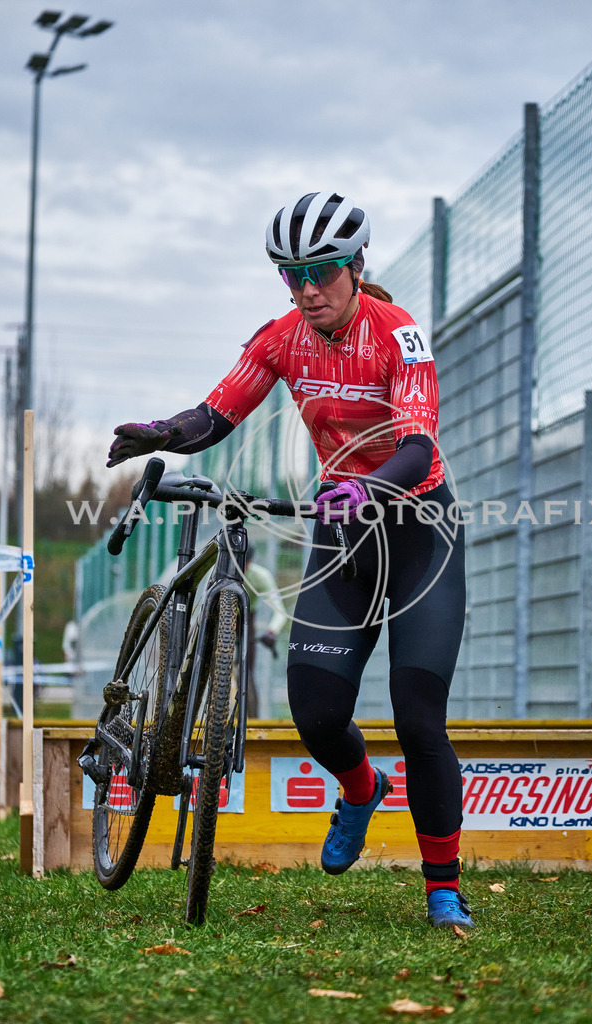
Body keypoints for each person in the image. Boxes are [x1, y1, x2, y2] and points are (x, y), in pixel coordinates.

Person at [107, 191, 472, 929]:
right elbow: (218, 412)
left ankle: (442, 889)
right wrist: (161, 432)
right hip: (342, 536)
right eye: (292, 274)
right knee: (316, 713)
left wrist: (365, 488)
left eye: (324, 271)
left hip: (417, 533)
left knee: (418, 722)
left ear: (355, 266)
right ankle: (360, 789)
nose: (308, 289)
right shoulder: (281, 337)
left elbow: (417, 445)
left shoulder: (397, 335)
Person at [242, 548, 287, 719]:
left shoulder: (261, 576)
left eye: (244, 564)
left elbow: (279, 610)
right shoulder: (219, 572)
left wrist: (272, 631)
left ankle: (251, 721)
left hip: (247, 618)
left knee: (247, 672)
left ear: (250, 563)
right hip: (220, 614)